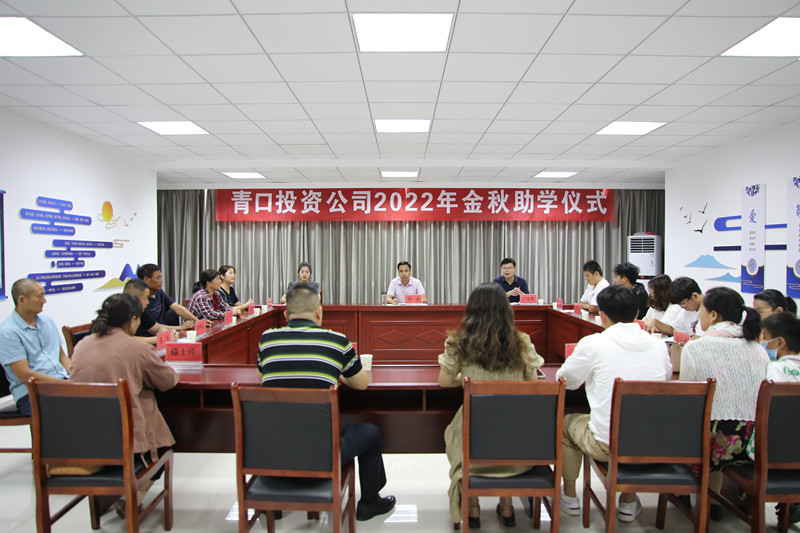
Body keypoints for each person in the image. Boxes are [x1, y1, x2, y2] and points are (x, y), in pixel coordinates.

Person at [258, 285, 395, 521]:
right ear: (319, 312)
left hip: (275, 450)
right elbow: (361, 384)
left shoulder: (267, 339)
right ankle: (369, 502)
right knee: (371, 432)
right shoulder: (336, 341)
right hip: (322, 452)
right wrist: (336, 373)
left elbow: (263, 378)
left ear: (286, 315)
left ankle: (274, 505)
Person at [556, 285, 672, 521]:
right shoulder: (659, 346)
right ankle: (628, 502)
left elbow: (564, 380)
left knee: (565, 424)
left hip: (607, 445)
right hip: (652, 443)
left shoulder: (593, 343)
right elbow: (666, 378)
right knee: (637, 419)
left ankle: (569, 497)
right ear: (637, 313)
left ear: (603, 315)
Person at [438, 283, 544, 528]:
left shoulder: (459, 342)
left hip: (474, 441)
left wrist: (468, 379)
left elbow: (444, 381)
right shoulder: (521, 341)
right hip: (517, 444)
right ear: (506, 310)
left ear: (472, 310)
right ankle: (506, 506)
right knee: (507, 430)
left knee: (458, 430)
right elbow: (531, 384)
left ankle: (473, 507)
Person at [69, 293, 178, 517]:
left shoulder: (82, 345)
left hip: (83, 437)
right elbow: (167, 381)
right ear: (132, 321)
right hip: (124, 439)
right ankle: (132, 499)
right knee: (164, 445)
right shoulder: (136, 348)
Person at [679, 287, 768, 520]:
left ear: (714, 315)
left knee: (688, 424)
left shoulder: (695, 347)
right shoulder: (758, 350)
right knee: (717, 428)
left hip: (710, 442)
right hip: (751, 442)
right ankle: (714, 502)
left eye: (702, 310)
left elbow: (688, 400)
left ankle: (682, 492)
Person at [0, 278, 70, 416]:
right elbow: (24, 375)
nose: (45, 301)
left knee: (99, 399)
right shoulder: (8, 332)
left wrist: (77, 377)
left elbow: (62, 358)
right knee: (77, 409)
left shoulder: (47, 321)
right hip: (31, 394)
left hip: (61, 383)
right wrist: (64, 385)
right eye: (40, 296)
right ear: (22, 300)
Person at [760, 312, 800, 525]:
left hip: (776, 450)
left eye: (766, 338)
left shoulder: (774, 369)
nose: (763, 343)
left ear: (780, 343)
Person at [123, 279, 186, 345]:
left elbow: (156, 328)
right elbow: (126, 339)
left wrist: (171, 334)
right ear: (135, 299)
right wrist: (159, 339)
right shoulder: (121, 313)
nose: (148, 302)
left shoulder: (141, 312)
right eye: (146, 298)